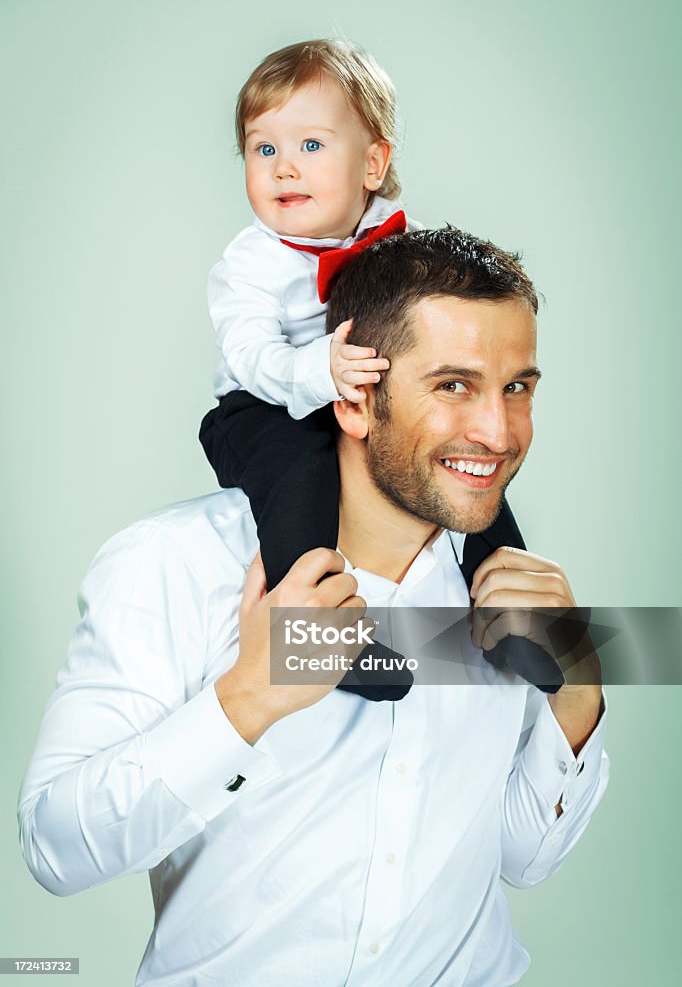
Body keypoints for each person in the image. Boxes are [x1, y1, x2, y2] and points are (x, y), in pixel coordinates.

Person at [19, 228, 608, 987]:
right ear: (356, 398)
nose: (497, 433)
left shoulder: (508, 593)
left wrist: (580, 688)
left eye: (517, 387)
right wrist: (250, 696)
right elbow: (55, 850)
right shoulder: (173, 563)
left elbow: (524, 860)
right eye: (453, 386)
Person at [198, 40, 422, 701]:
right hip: (260, 410)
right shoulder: (250, 264)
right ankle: (316, 638)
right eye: (263, 149)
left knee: (457, 463)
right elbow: (252, 357)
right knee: (302, 469)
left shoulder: (395, 240)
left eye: (312, 146)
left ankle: (514, 615)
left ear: (373, 163)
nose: (284, 168)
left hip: (352, 398)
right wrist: (318, 373)